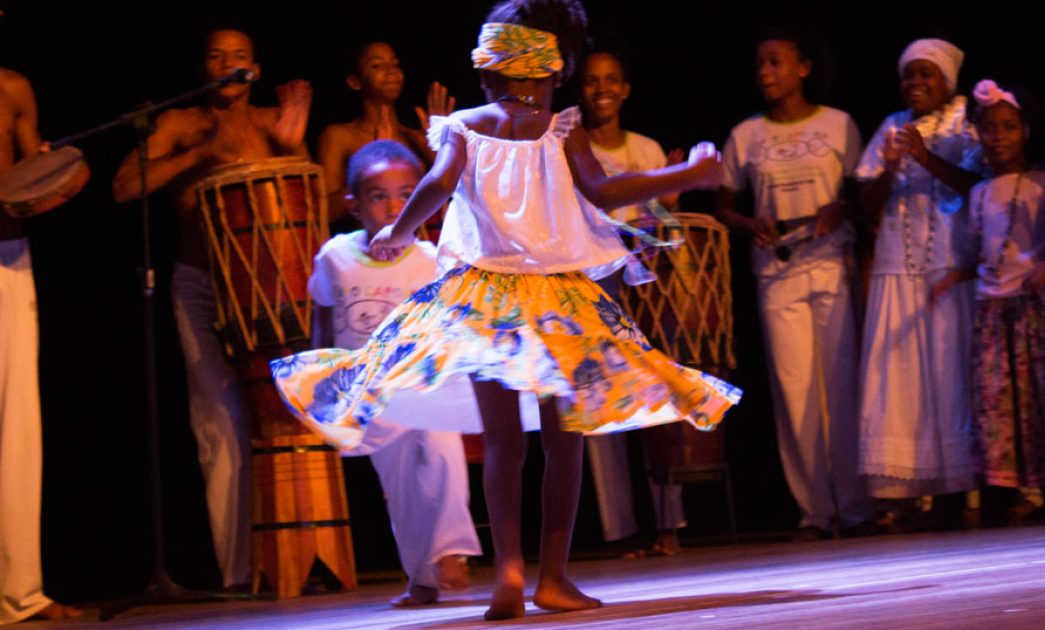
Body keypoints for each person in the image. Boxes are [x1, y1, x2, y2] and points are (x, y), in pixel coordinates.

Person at [270, 0, 740, 620]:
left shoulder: (463, 126)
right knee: (563, 441)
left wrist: (399, 234)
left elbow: (436, 186)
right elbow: (604, 192)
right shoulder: (561, 128)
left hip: (483, 300)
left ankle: (509, 577)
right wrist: (688, 171)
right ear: (547, 74)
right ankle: (552, 577)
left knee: (502, 444)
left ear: (488, 73)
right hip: (561, 303)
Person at [111, 28, 312, 590]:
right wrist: (201, 150)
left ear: (256, 68)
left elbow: (310, 192)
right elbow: (124, 187)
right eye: (217, 56)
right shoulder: (180, 124)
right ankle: (239, 571)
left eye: (239, 56)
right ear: (204, 68)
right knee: (220, 424)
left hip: (272, 292)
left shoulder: (274, 120)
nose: (228, 64)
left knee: (286, 419)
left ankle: (300, 558)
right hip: (200, 281)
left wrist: (294, 137)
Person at [310, 140, 482, 606]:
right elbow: (324, 316)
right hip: (373, 395)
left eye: (407, 194)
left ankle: (450, 551)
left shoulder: (430, 259)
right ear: (353, 204)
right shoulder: (334, 256)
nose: (393, 207)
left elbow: (452, 321)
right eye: (379, 196)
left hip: (425, 383)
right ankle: (421, 580)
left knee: (443, 454)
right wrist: (321, 380)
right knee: (402, 487)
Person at [715, 31, 872, 540]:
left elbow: (864, 194)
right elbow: (724, 206)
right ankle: (814, 511)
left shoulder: (838, 125)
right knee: (795, 391)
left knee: (841, 386)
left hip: (828, 263)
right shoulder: (745, 135)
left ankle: (855, 507)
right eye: (759, 63)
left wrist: (841, 207)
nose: (764, 71)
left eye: (775, 62)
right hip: (777, 269)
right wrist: (748, 223)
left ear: (803, 67)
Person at [854, 38, 983, 524]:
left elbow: (980, 186)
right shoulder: (890, 126)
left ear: (948, 81)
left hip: (950, 267)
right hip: (897, 266)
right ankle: (904, 490)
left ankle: (964, 488)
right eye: (910, 74)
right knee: (900, 382)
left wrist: (927, 159)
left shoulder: (966, 121)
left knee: (951, 374)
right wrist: (888, 170)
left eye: (927, 74)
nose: (916, 83)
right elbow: (865, 206)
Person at [578, 46, 686, 555]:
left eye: (612, 79)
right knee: (599, 405)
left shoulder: (646, 149)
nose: (602, 89)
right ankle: (621, 529)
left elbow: (665, 225)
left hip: (646, 286)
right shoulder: (569, 148)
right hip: (589, 288)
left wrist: (668, 204)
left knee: (655, 397)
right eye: (592, 80)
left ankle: (667, 523)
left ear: (625, 89)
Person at [0, 68, 84, 624]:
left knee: (16, 424)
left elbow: (33, 181)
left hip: (5, 255)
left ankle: (19, 594)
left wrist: (50, 174)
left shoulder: (14, 88)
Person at [959, 80, 1045, 524]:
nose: (998, 137)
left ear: (1024, 131)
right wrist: (953, 277)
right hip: (991, 305)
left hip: (1032, 303)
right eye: (989, 128)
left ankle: (1043, 487)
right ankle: (1008, 487)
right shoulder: (978, 192)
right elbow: (980, 249)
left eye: (1008, 127)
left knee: (1037, 396)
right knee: (998, 399)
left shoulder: (1044, 182)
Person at [317, 41, 455, 223]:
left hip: (421, 247)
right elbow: (325, 212)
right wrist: (372, 168)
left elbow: (460, 197)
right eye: (376, 65)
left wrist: (440, 151)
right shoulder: (339, 136)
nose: (391, 71)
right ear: (355, 81)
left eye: (395, 64)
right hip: (366, 246)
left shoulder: (416, 138)